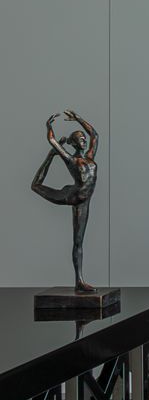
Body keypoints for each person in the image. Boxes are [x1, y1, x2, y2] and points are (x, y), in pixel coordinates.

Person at [31, 110, 100, 292]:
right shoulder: (71, 160)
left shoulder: (90, 157)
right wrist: (48, 127)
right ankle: (49, 156)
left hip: (84, 201)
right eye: (80, 138)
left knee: (78, 242)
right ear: (73, 143)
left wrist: (78, 119)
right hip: (71, 197)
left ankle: (79, 282)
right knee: (35, 186)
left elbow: (95, 134)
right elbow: (52, 140)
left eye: (83, 138)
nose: (84, 140)